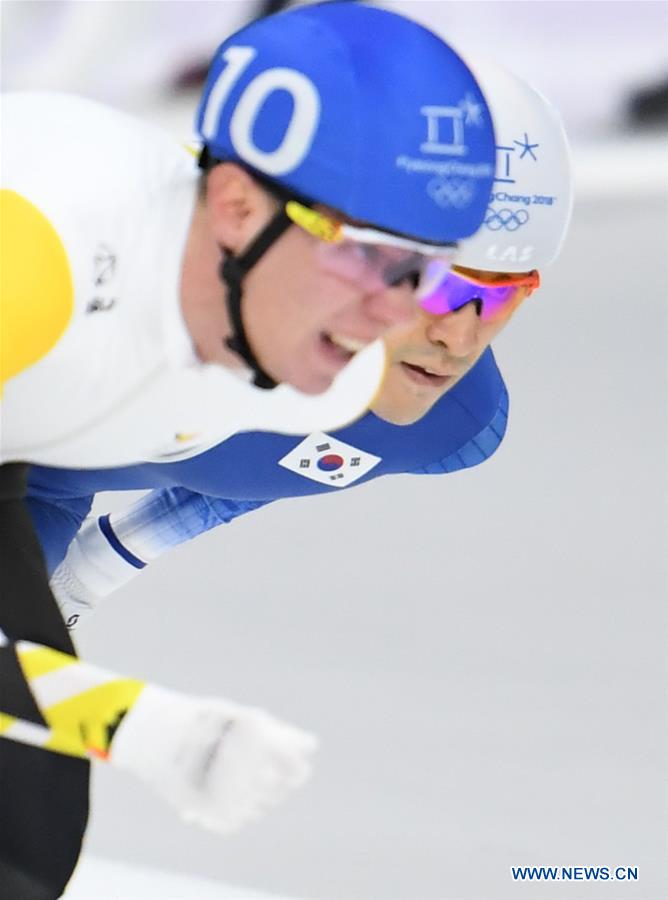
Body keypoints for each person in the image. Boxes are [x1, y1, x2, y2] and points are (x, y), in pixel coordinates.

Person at [0, 5, 498, 898]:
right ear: (236, 207)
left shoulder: (352, 377)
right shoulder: (30, 271)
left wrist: (91, 579)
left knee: (25, 822)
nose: (405, 318)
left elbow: (241, 478)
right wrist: (134, 724)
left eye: (433, 273)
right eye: (375, 260)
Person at [29, 59, 573, 625]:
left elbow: (283, 462)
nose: (459, 338)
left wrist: (90, 574)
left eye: (507, 292)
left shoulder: (452, 423)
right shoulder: (90, 263)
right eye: (432, 282)